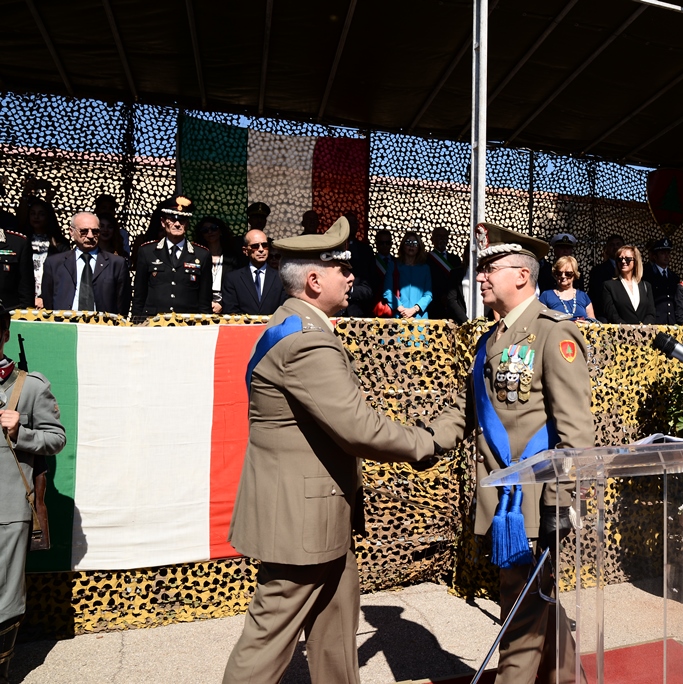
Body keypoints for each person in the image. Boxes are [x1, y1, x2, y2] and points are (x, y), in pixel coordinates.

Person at [221, 216, 436, 684]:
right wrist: (427, 441)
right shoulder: (306, 341)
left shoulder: (291, 324)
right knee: (269, 638)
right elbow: (358, 427)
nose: (352, 274)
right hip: (304, 519)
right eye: (342, 267)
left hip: (318, 512)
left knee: (335, 630)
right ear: (315, 279)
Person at [428, 221, 593, 684]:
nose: (480, 277)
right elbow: (467, 414)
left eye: (489, 268)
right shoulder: (492, 339)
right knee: (534, 599)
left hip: (536, 503)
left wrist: (562, 502)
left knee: (519, 617)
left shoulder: (552, 333)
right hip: (505, 501)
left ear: (522, 275)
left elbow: (576, 433)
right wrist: (416, 441)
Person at [0, 304, 67, 682]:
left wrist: (20, 432)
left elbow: (57, 439)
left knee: (5, 599)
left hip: (8, 509)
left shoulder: (30, 386)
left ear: (4, 335)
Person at [131, 196, 213, 318]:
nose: (177, 224)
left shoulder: (202, 254)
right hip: (154, 323)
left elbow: (204, 300)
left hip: (187, 324)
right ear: (163, 222)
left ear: (188, 224)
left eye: (182, 220)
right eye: (172, 220)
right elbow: (139, 295)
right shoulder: (147, 251)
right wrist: (136, 324)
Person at [40, 212, 129, 316]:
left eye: (95, 231)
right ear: (71, 232)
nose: (90, 236)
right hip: (65, 325)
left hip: (102, 326)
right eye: (84, 231)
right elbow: (48, 301)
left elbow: (122, 303)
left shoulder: (116, 264)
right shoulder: (54, 263)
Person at [220, 229, 286, 316]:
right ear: (245, 250)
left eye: (265, 245)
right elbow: (231, 310)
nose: (261, 249)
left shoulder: (281, 277)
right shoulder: (233, 279)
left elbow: (284, 308)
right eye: (255, 246)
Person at [21, 197, 70, 308]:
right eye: (33, 213)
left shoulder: (60, 245)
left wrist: (44, 297)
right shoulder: (21, 241)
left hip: (49, 300)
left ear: (48, 217)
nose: (36, 217)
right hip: (24, 300)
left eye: (41, 214)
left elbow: (62, 276)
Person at [193, 217, 243, 314]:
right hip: (202, 306)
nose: (210, 232)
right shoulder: (198, 256)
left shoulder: (232, 257)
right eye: (205, 230)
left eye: (214, 228)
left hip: (227, 306)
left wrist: (221, 303)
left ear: (221, 231)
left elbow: (237, 284)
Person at [382, 231, 432, 319]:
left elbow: (428, 294)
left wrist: (414, 309)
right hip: (399, 315)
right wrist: (401, 309)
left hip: (419, 317)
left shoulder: (425, 268)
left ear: (419, 247)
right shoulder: (393, 265)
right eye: (408, 242)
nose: (411, 245)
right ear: (403, 246)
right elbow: (387, 291)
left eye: (415, 243)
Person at [603, 245, 655, 325]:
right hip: (622, 334)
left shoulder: (646, 286)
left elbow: (651, 313)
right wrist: (629, 330)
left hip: (644, 334)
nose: (623, 262)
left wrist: (642, 329)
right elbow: (612, 314)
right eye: (620, 259)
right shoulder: (609, 286)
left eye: (627, 259)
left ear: (635, 261)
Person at [339, 214, 375, 318]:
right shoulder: (330, 249)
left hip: (358, 311)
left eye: (354, 223)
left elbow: (370, 284)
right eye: (348, 223)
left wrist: (350, 290)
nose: (351, 226)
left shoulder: (366, 251)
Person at [539, 255, 594, 321]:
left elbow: (593, 322)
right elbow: (541, 322)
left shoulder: (583, 296)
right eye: (559, 273)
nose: (563, 276)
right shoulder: (546, 295)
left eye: (568, 274)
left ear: (574, 275)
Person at [426, 227, 462, 319]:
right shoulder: (426, 259)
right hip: (433, 304)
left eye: (444, 236)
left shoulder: (455, 259)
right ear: (432, 239)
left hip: (453, 304)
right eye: (439, 236)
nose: (442, 239)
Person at [643, 238, 680, 325]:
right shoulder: (647, 275)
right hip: (655, 321)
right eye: (663, 253)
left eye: (668, 253)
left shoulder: (674, 277)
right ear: (655, 256)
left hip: (672, 321)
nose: (666, 256)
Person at [588, 234, 624, 322]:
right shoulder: (598, 271)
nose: (615, 247)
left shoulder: (630, 268)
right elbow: (595, 295)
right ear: (606, 249)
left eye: (618, 244)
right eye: (612, 245)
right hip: (604, 316)